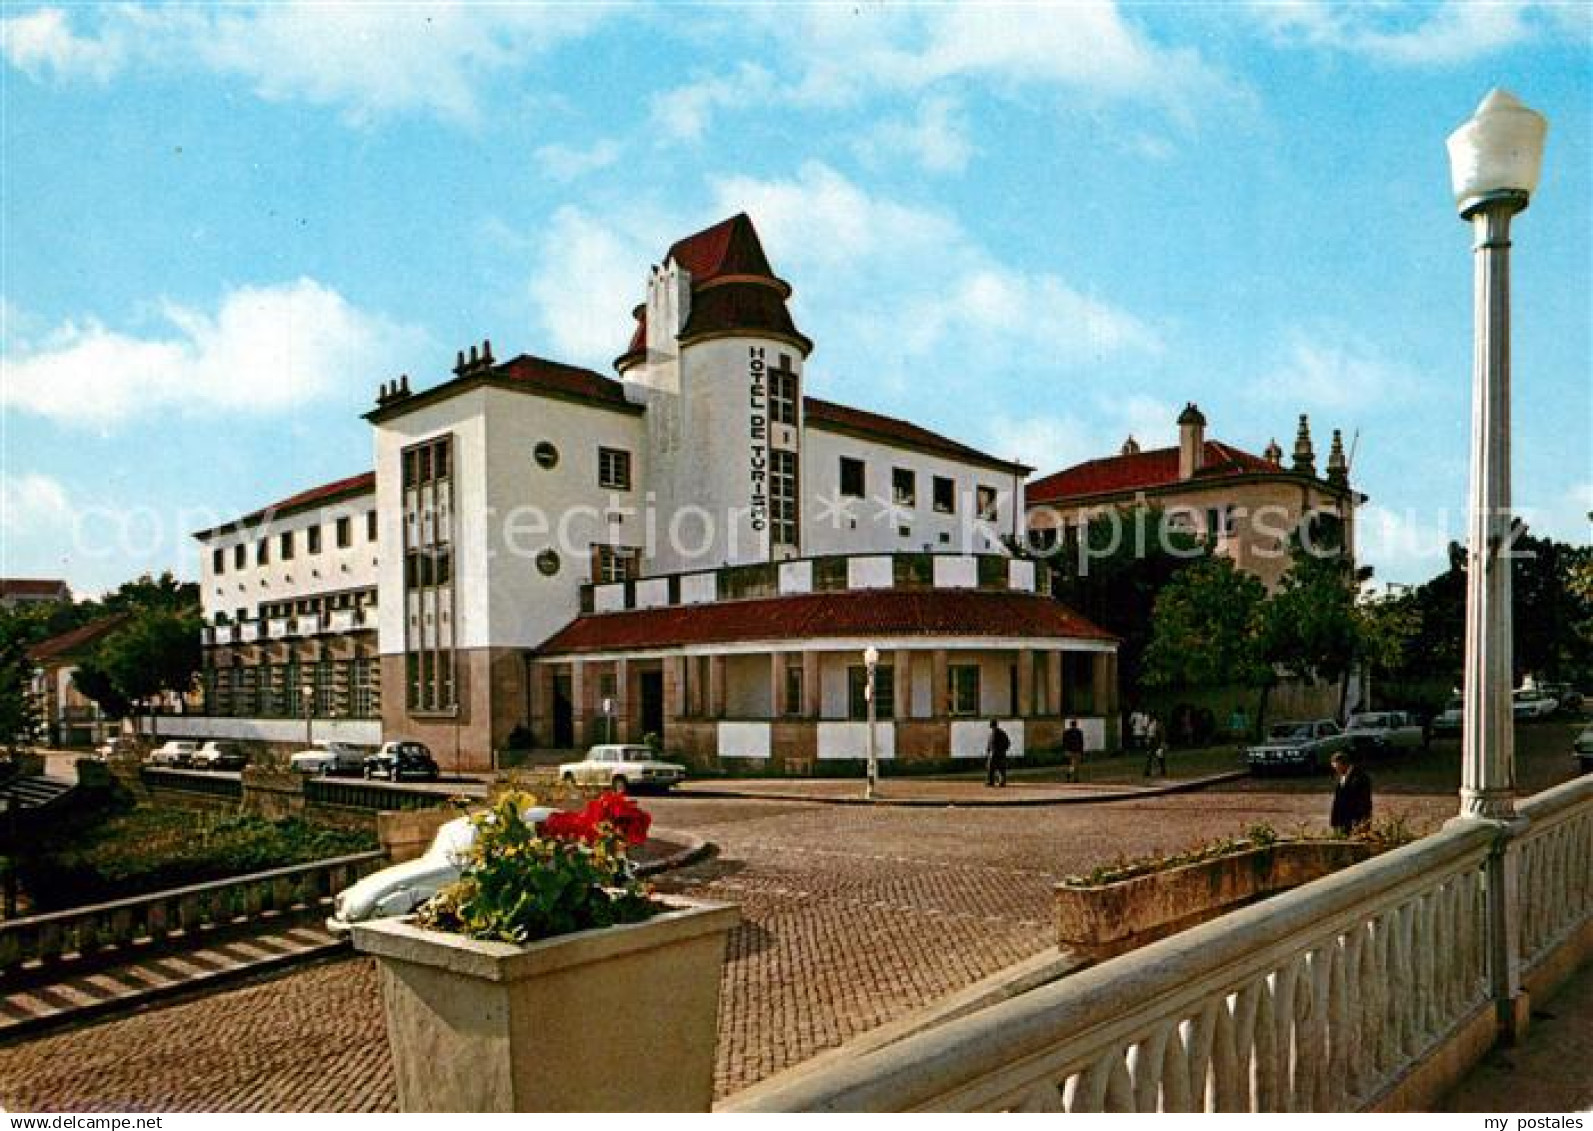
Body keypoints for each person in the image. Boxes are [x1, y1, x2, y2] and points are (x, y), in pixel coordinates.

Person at [1329, 751, 1373, 834]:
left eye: (1337, 767)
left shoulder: (1361, 777)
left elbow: (1364, 801)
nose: (1336, 770)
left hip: (1356, 821)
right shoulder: (1341, 776)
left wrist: (1362, 822)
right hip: (1343, 821)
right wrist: (1335, 821)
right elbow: (1338, 800)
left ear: (1344, 764)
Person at [985, 719, 1011, 788]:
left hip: (999, 754)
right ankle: (991, 782)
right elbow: (989, 744)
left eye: (992, 726)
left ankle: (1001, 782)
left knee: (1001, 769)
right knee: (991, 768)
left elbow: (1007, 743)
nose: (992, 728)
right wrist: (988, 751)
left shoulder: (1001, 733)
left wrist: (1003, 750)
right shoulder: (992, 734)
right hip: (993, 754)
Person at [1061, 718, 1085, 783]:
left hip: (1069, 750)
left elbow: (1064, 742)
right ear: (1076, 725)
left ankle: (1069, 776)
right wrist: (1081, 751)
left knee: (1070, 764)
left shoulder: (1066, 732)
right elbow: (1081, 742)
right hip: (1076, 751)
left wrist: (1065, 750)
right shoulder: (1079, 732)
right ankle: (1075, 778)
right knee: (1076, 765)